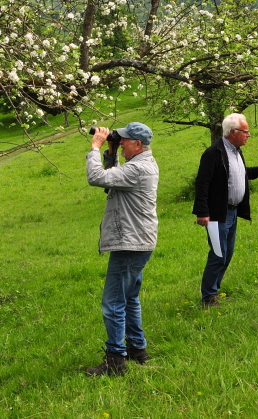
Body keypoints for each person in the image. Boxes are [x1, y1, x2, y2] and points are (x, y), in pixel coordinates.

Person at [83, 122, 159, 377]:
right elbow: (114, 181)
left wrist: (95, 147)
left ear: (138, 144)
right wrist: (111, 152)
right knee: (129, 298)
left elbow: (97, 179)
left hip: (130, 241)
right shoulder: (141, 165)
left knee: (113, 301)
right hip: (138, 240)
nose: (122, 142)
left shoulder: (138, 168)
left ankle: (115, 360)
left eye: (125, 140)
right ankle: (137, 349)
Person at [192, 113, 258, 306]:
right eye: (245, 131)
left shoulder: (236, 152)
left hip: (232, 213)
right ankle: (208, 298)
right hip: (217, 214)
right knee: (218, 255)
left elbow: (242, 174)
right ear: (233, 132)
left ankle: (213, 292)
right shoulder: (213, 153)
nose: (248, 135)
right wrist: (202, 212)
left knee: (227, 255)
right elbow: (202, 184)